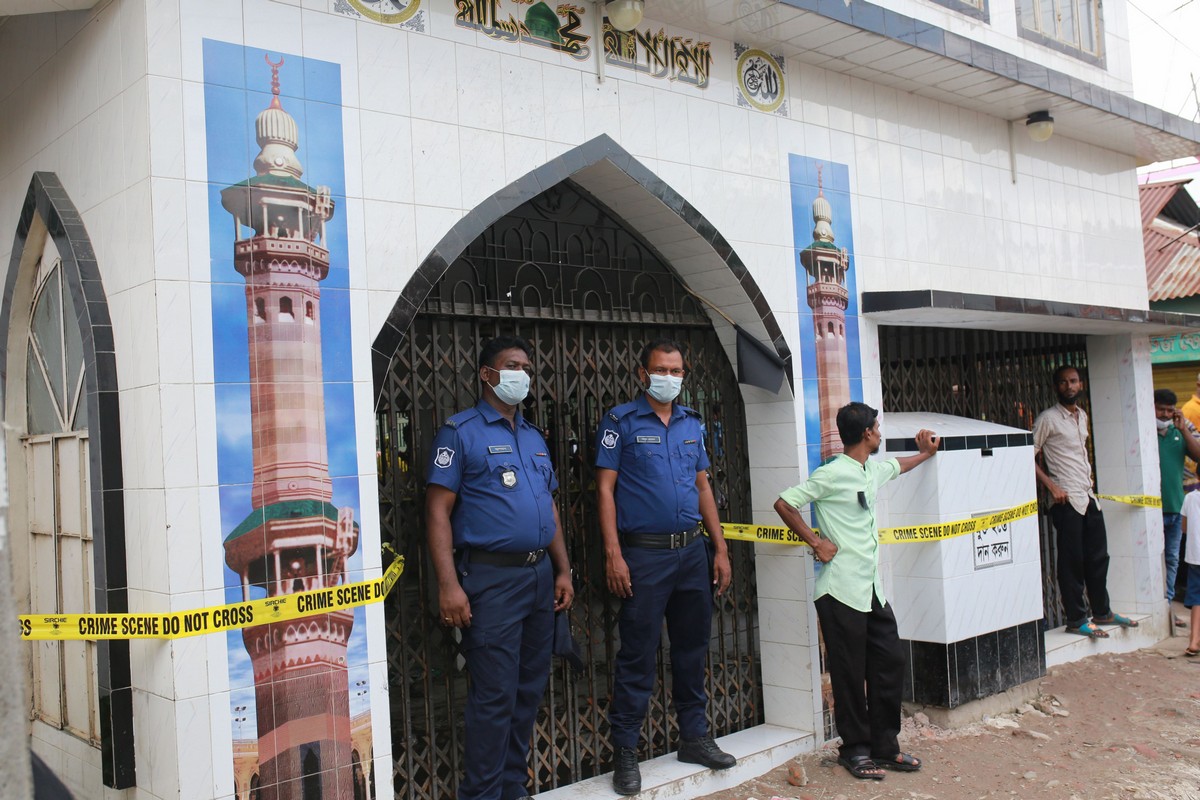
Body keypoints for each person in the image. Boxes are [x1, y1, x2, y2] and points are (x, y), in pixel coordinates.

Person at [426, 336, 574, 800]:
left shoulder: (532, 437)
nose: (522, 375)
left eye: (526, 367)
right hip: (490, 582)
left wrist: (563, 569)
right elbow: (436, 512)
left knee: (528, 690)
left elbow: (547, 510)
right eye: (512, 365)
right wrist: (448, 585)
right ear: (487, 375)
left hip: (538, 578)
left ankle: (513, 786)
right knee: (494, 696)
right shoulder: (461, 432)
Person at [595, 338, 735, 796]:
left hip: (692, 553)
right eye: (661, 370)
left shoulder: (692, 424)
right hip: (645, 555)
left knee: (693, 650)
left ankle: (694, 737)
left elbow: (703, 488)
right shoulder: (620, 422)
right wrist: (614, 553)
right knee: (637, 654)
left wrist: (720, 549)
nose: (669, 378)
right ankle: (627, 753)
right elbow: (605, 491)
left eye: (676, 371)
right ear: (642, 374)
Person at [773, 402, 938, 781]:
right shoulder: (832, 474)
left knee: (889, 662)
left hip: (871, 590)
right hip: (839, 591)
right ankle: (855, 750)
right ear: (866, 433)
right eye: (877, 428)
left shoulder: (871, 469)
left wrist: (927, 453)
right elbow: (785, 503)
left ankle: (884, 747)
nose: (880, 433)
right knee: (849, 673)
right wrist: (816, 542)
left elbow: (900, 466)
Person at [1033, 365, 1136, 639]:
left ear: (1081, 384)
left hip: (1088, 497)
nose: (1070, 386)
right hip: (1066, 501)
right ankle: (1076, 618)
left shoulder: (1082, 416)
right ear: (1056, 387)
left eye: (1074, 381)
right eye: (1064, 382)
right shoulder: (1047, 419)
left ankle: (1102, 611)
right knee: (1072, 562)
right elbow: (1026, 456)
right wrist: (1051, 485)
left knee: (1098, 557)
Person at [1154, 388, 1200, 625]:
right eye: (1160, 409)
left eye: (1169, 411)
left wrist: (1182, 428)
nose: (1164, 414)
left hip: (1175, 506)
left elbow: (1198, 454)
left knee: (1172, 559)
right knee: (1154, 560)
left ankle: (1168, 608)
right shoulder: (1143, 429)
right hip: (1151, 510)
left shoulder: (1182, 428)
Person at [1179, 488, 1200, 656]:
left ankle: (1193, 641)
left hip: (1195, 556)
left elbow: (1184, 527)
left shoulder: (1190, 498)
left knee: (1197, 599)